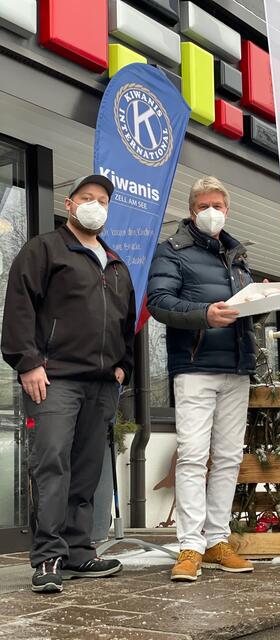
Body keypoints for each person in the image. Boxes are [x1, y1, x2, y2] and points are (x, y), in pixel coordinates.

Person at [1, 174, 136, 593]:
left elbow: (126, 322)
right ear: (70, 203)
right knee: (51, 466)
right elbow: (20, 305)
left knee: (86, 470)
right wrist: (28, 363)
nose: (95, 204)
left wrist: (123, 366)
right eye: (87, 197)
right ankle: (47, 558)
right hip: (53, 378)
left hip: (101, 385)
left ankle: (79, 551)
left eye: (102, 200)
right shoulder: (43, 249)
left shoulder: (115, 262)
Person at [147, 176, 256, 582]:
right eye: (205, 205)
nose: (213, 212)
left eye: (219, 205)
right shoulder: (172, 251)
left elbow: (245, 307)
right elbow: (159, 302)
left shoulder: (237, 255)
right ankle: (189, 546)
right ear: (193, 210)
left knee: (227, 458)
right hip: (194, 367)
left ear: (227, 210)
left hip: (237, 368)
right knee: (193, 457)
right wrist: (204, 314)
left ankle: (216, 541)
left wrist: (262, 302)